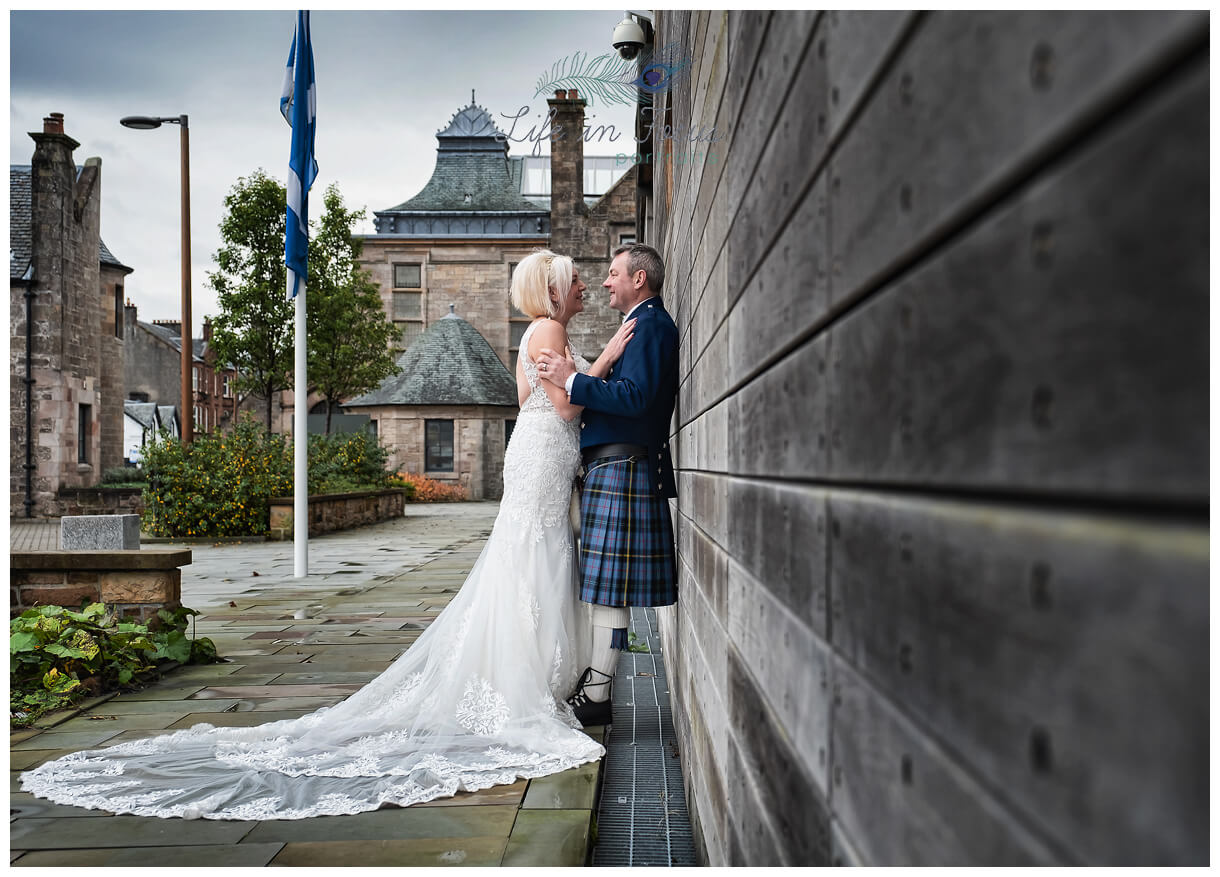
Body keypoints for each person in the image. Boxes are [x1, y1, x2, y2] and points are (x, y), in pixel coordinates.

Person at [20, 249, 637, 821]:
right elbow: (561, 407)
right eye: (576, 280)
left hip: (532, 457)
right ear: (554, 290)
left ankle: (526, 676)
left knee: (527, 558)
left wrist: (586, 369)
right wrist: (605, 361)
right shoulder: (551, 331)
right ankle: (534, 683)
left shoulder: (532, 333)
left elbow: (525, 394)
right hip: (546, 453)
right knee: (538, 556)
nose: (584, 285)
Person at [536, 243, 679, 727]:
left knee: (608, 590)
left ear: (639, 279)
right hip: (614, 470)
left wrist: (572, 379)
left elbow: (635, 398)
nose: (604, 282)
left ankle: (597, 691)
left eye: (613, 273)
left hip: (624, 468)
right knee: (605, 589)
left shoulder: (653, 326)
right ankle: (596, 686)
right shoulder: (638, 325)